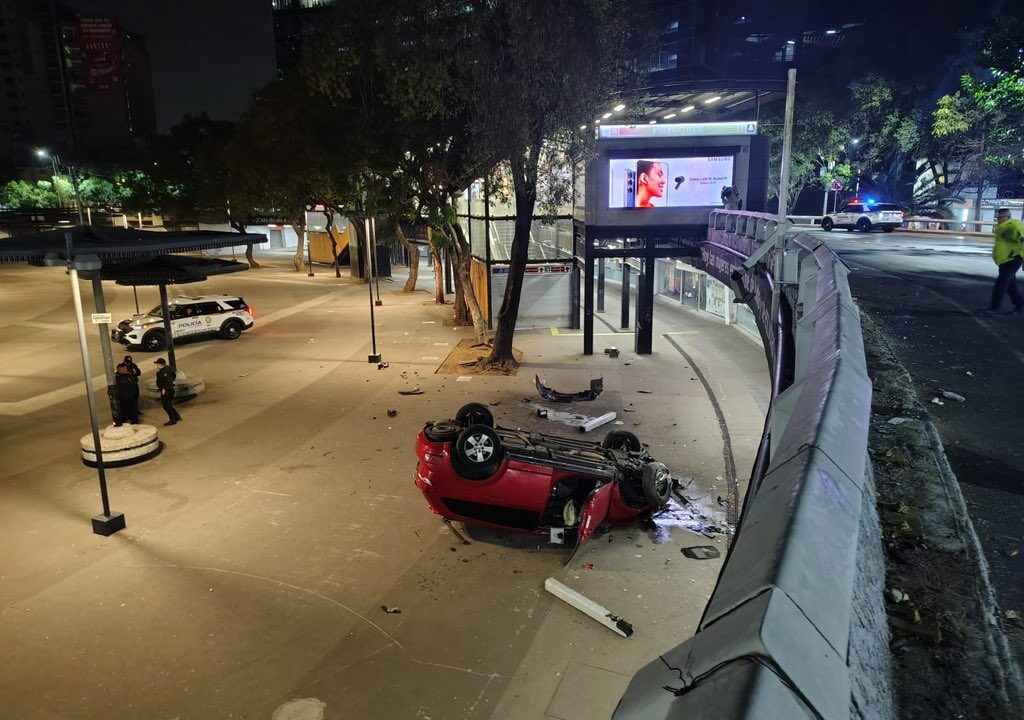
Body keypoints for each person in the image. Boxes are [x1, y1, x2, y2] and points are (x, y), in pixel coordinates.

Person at [983, 207, 1024, 314]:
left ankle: (994, 307)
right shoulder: (1001, 227)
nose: (998, 219)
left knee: (1001, 282)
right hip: (1004, 260)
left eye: (1000, 217)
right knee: (1010, 285)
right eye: (997, 217)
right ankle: (1019, 305)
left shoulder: (1014, 226)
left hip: (1014, 258)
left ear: (1007, 217)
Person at [154, 358, 182, 426]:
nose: (156, 365)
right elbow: (174, 376)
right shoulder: (169, 369)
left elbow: (168, 381)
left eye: (157, 364)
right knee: (168, 404)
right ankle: (176, 416)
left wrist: (164, 389)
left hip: (167, 391)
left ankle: (172, 420)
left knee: (166, 406)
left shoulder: (163, 372)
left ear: (161, 364)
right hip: (170, 389)